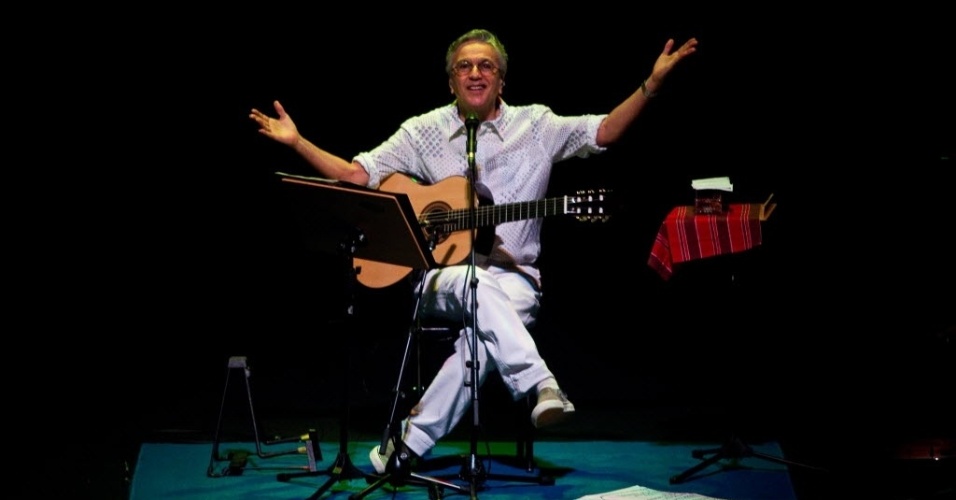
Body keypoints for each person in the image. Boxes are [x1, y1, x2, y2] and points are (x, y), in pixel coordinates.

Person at [250, 28, 697, 479]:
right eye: (464, 66)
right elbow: (356, 174)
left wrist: (651, 84)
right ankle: (541, 384)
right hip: (440, 276)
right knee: (473, 281)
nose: (475, 73)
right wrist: (297, 142)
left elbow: (603, 130)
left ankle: (406, 444)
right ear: (451, 82)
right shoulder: (423, 131)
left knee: (480, 339)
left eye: (487, 66)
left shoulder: (536, 125)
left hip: (517, 277)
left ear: (502, 79)